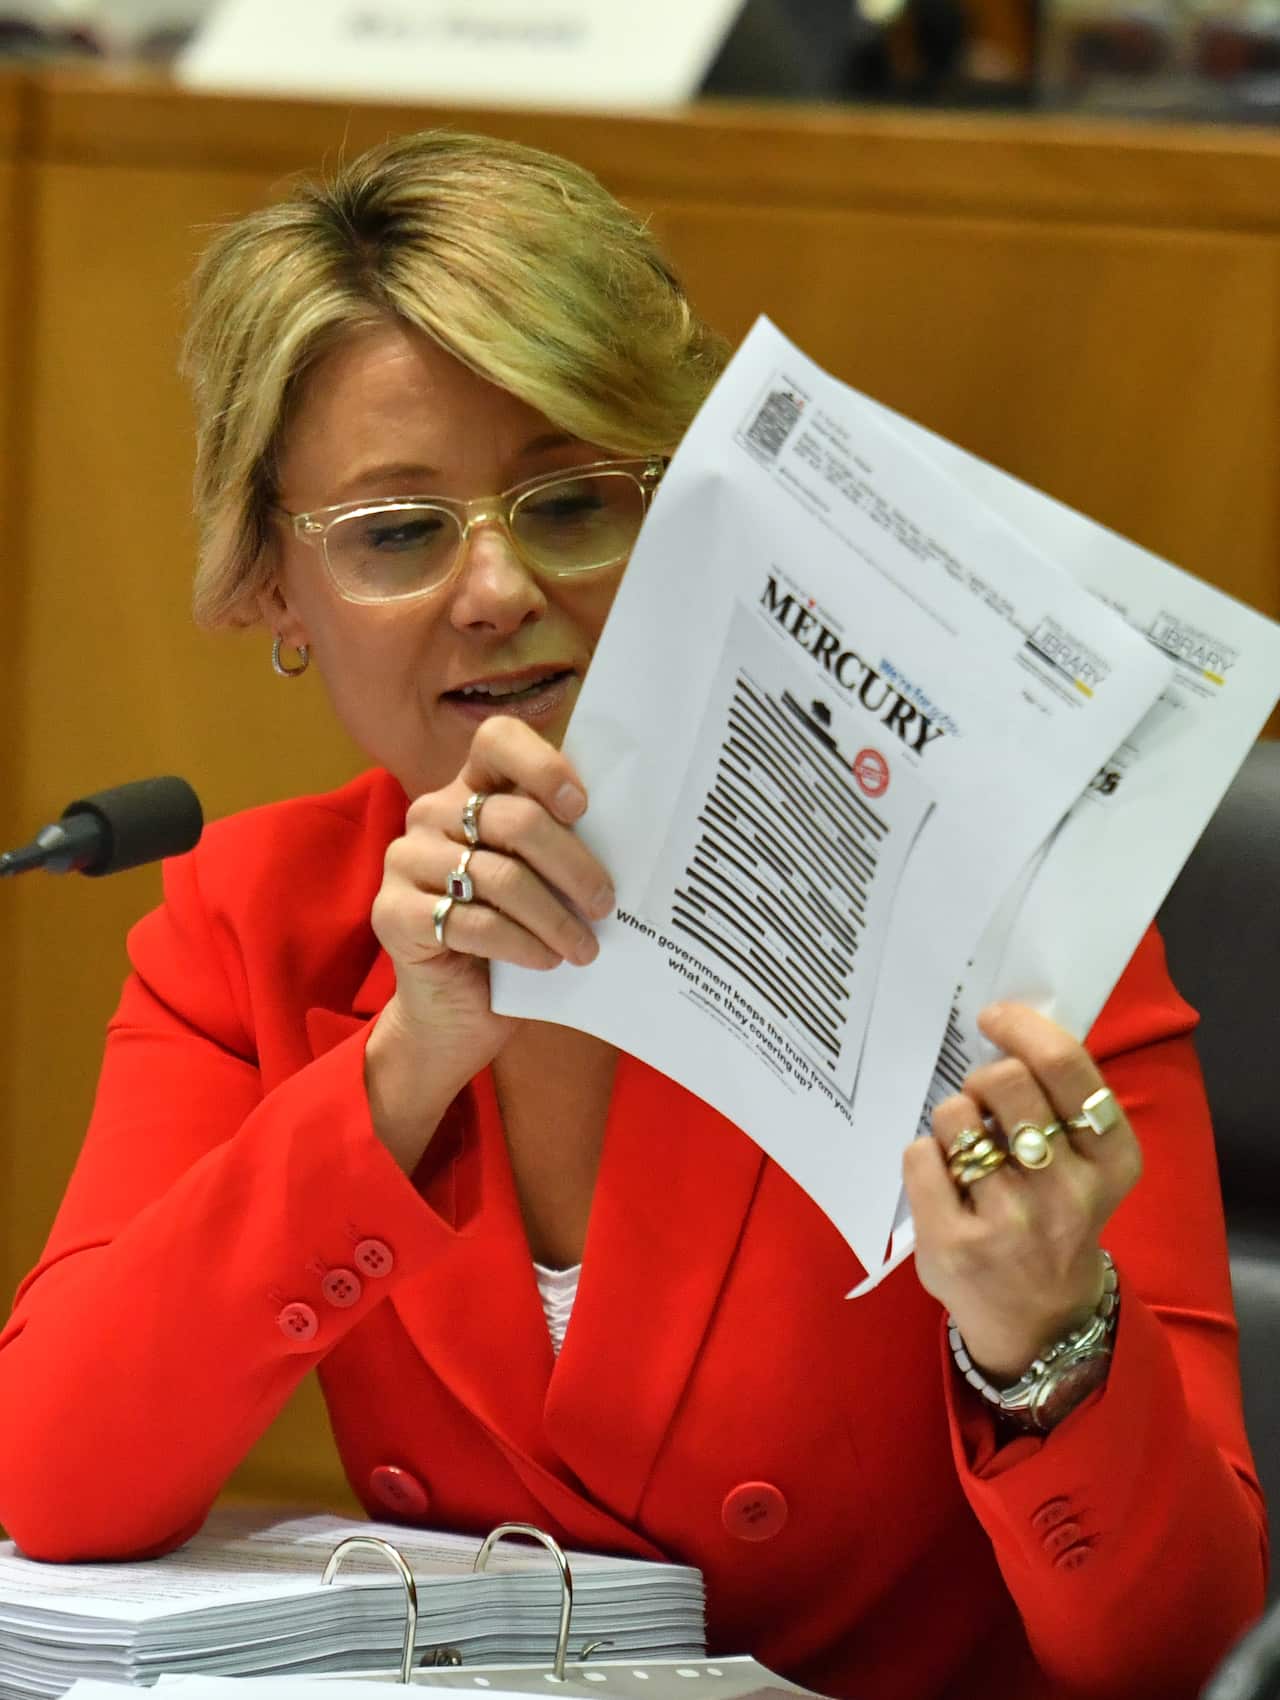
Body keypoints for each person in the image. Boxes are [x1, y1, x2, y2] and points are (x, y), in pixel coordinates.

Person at [0, 131, 1265, 1700]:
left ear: (695, 518)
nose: (493, 588)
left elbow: (1194, 1657)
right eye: (396, 534)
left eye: (571, 502)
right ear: (271, 587)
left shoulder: (1003, 919)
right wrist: (400, 1069)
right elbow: (53, 1481)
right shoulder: (253, 922)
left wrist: (1045, 1341)